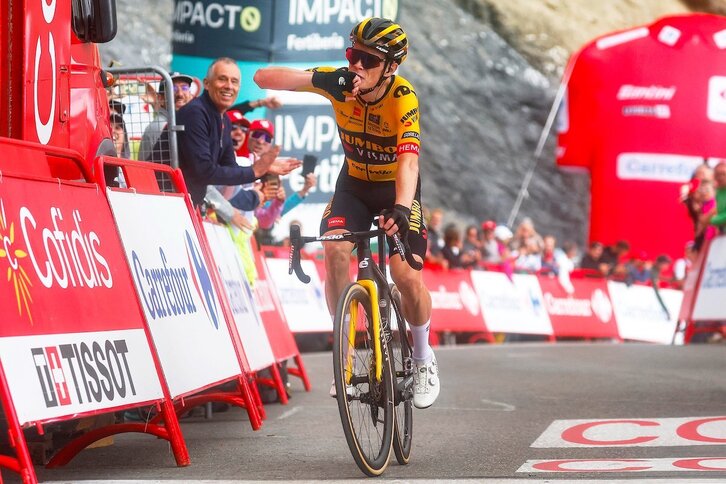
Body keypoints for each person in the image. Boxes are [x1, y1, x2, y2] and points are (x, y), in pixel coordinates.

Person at [254, 17, 439, 409]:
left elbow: (408, 163)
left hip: (395, 190)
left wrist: (403, 209)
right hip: (353, 186)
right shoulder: (339, 83)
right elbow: (263, 77)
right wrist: (324, 81)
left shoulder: (403, 97)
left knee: (407, 275)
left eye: (368, 60)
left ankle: (423, 358)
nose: (356, 65)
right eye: (353, 54)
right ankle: (350, 353)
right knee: (335, 252)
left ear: (391, 67)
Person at [176, 57, 300, 209]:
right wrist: (255, 171)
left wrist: (264, 168)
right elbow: (204, 171)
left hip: (185, 203)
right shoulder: (196, 113)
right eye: (222, 79)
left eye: (234, 81)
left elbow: (231, 168)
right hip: (168, 200)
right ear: (207, 84)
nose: (229, 86)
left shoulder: (224, 120)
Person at [138, 72, 194, 162]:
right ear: (161, 99)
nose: (180, 94)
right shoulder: (160, 126)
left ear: (191, 95)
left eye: (184, 88)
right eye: (173, 88)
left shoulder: (187, 121)